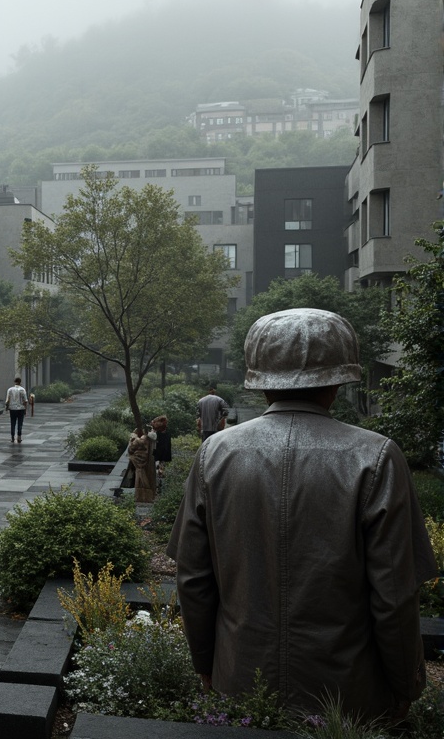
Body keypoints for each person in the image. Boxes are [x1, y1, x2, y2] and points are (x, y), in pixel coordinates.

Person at [168, 308, 436, 724]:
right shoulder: (376, 456)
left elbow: (193, 578)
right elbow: (395, 594)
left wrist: (206, 664)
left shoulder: (215, 454)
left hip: (240, 681)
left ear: (260, 381)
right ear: (338, 381)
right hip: (346, 694)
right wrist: (406, 684)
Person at [127, 428, 155, 503]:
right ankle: (147, 496)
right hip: (147, 462)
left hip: (140, 463)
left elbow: (131, 449)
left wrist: (133, 438)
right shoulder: (152, 439)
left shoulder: (141, 440)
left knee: (140, 479)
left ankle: (142, 496)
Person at [5, 377, 28, 443]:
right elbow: (25, 401)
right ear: (20, 382)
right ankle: (19, 437)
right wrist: (25, 409)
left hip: (12, 408)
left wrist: (7, 407)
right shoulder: (22, 389)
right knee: (20, 423)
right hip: (21, 408)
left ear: (14, 381)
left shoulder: (10, 389)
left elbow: (7, 400)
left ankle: (12, 437)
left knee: (13, 423)